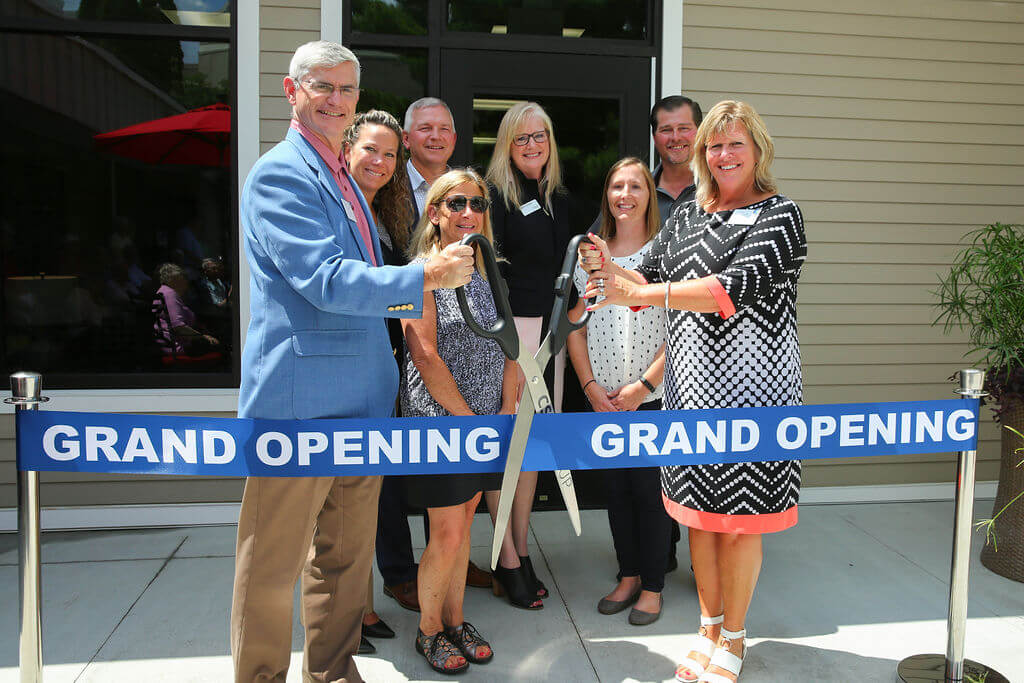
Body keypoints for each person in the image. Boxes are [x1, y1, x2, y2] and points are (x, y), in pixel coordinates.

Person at [231, 40, 474, 683]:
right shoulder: (283, 173)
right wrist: (424, 275)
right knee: (271, 568)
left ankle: (334, 672)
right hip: (297, 406)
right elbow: (326, 280)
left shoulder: (341, 176)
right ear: (292, 91)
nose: (336, 100)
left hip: (362, 403)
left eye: (347, 89)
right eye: (322, 87)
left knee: (343, 562)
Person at [580, 101, 807, 683]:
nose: (723, 155)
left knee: (740, 525)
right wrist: (610, 266)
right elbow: (644, 270)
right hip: (689, 397)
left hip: (755, 398)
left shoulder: (781, 216)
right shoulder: (687, 216)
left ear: (758, 150)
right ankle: (708, 629)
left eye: (735, 144)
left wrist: (642, 295)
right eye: (714, 145)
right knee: (702, 523)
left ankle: (735, 637)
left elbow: (724, 291)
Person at [401, 168, 516, 674]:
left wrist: (507, 409)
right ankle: (428, 630)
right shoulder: (417, 273)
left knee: (468, 521)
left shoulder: (490, 268)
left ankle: (455, 618)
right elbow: (424, 355)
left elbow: (510, 343)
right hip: (442, 423)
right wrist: (468, 420)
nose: (468, 212)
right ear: (435, 212)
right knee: (445, 532)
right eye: (455, 203)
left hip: (487, 420)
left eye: (477, 203)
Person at [485, 101, 582, 608]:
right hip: (514, 333)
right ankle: (506, 560)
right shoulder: (493, 195)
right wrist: (507, 347)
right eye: (520, 137)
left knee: (534, 448)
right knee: (508, 447)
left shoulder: (557, 196)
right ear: (506, 143)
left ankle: (520, 549)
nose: (531, 145)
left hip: (552, 332)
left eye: (538, 135)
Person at [567, 158, 670, 626]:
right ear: (606, 195)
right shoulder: (590, 253)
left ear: (650, 194)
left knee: (650, 494)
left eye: (635, 186)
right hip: (604, 398)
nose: (624, 194)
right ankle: (627, 575)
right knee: (616, 492)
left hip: (652, 396)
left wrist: (645, 384)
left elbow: (684, 328)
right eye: (616, 186)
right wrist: (589, 386)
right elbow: (574, 328)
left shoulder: (666, 251)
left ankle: (652, 587)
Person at [341, 108, 413, 651]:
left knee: (369, 497)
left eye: (390, 154)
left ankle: (362, 605)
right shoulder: (337, 210)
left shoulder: (384, 215)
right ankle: (351, 612)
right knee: (341, 505)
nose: (381, 162)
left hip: (381, 371)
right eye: (371, 149)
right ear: (347, 148)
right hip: (344, 371)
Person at [152, 262, 219, 357]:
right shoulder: (170, 293)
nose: (187, 282)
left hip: (174, 344)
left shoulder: (164, 291)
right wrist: (203, 337)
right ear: (174, 279)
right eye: (183, 278)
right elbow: (178, 327)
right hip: (177, 347)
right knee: (221, 345)